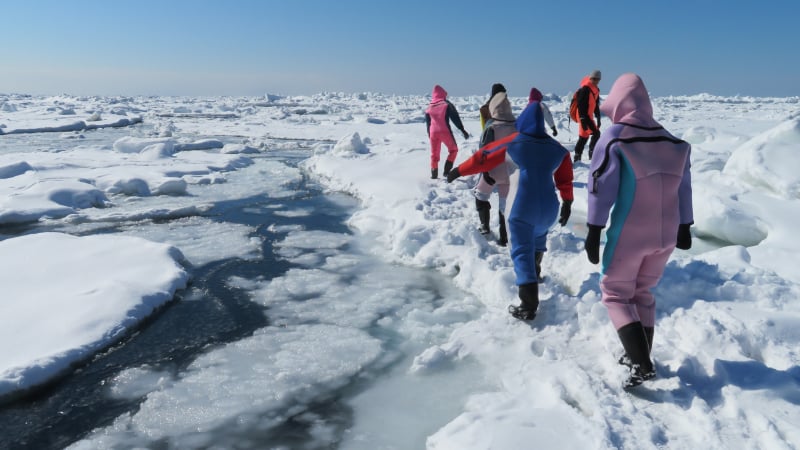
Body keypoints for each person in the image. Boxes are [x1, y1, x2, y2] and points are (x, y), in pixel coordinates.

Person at [584, 73, 693, 388]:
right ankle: (639, 355)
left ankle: (642, 363)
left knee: (615, 293)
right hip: (667, 233)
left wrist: (594, 229)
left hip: (632, 230)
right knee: (642, 293)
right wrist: (686, 225)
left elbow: (599, 186)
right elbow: (685, 189)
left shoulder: (616, 137)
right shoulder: (674, 142)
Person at [448, 100, 573, 320]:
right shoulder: (558, 148)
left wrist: (458, 171)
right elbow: (565, 179)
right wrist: (568, 202)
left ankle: (528, 304)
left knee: (521, 250)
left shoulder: (513, 142)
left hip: (523, 205)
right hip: (549, 208)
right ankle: (537, 274)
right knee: (538, 238)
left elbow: (482, 159)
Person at [473, 91, 516, 245]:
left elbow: (484, 151)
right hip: (510, 173)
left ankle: (485, 226)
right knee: (504, 205)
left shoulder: (492, 126)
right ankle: (504, 238)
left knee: (480, 196)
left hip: (492, 172)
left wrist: (484, 171)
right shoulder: (517, 125)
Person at [425, 85, 469, 179]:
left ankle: (434, 176)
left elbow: (428, 123)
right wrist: (462, 129)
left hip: (433, 133)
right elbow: (455, 117)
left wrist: (430, 135)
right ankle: (446, 172)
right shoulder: (446, 104)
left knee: (434, 154)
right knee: (454, 150)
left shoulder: (429, 107)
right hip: (444, 131)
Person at [572, 70, 602, 162]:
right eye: (593, 78)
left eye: (597, 79)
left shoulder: (596, 90)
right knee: (596, 134)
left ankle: (578, 156)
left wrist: (598, 116)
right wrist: (582, 119)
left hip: (588, 116)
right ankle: (592, 154)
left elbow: (596, 104)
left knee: (584, 136)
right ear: (591, 78)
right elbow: (581, 105)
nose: (595, 80)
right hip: (584, 116)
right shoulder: (585, 89)